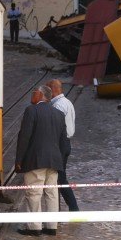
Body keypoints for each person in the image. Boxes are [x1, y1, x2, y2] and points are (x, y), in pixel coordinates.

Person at [15, 86, 70, 236]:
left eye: (33, 93)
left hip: (36, 159)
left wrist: (19, 159)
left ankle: (34, 227)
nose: (31, 96)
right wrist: (61, 160)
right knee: (52, 192)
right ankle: (52, 226)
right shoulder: (59, 114)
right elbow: (63, 141)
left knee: (34, 192)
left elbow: (25, 137)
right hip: (54, 160)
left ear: (40, 95)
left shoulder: (31, 111)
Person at [48, 79, 80, 212]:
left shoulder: (58, 106)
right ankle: (67, 208)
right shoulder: (67, 102)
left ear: (52, 90)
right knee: (59, 178)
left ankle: (73, 208)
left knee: (60, 178)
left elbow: (56, 129)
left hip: (60, 144)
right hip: (66, 143)